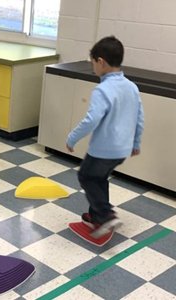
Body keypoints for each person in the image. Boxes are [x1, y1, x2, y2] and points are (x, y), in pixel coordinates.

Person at [66, 36, 144, 238]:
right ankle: (96, 216)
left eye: (93, 63)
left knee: (86, 176)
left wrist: (72, 138)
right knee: (99, 178)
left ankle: (106, 215)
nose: (93, 67)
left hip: (103, 149)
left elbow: (91, 120)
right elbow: (139, 118)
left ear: (100, 61)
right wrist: (135, 143)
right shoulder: (131, 87)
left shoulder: (103, 90)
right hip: (122, 149)